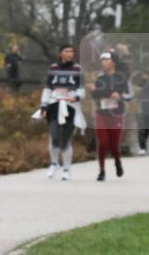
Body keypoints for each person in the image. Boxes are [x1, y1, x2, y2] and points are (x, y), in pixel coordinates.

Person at [39, 44, 86, 180]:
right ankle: (54, 164)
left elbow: (82, 89)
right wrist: (43, 106)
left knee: (66, 140)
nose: (70, 53)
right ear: (61, 53)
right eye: (67, 51)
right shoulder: (53, 68)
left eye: (72, 51)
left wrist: (76, 97)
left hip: (70, 106)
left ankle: (67, 168)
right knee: (53, 137)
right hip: (54, 105)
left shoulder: (78, 69)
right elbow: (48, 88)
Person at [88, 51, 133, 181]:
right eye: (102, 60)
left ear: (113, 61)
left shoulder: (123, 77)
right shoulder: (99, 77)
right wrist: (93, 91)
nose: (104, 63)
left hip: (117, 114)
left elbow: (130, 95)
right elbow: (96, 97)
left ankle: (117, 162)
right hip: (101, 113)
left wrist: (120, 97)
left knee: (114, 145)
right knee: (102, 142)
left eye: (106, 60)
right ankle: (102, 171)